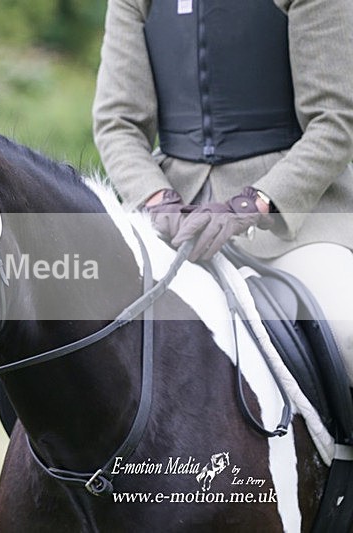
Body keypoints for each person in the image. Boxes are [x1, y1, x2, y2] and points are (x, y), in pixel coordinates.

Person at [92, 0, 353, 383]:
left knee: (347, 335)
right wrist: (156, 198)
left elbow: (335, 122)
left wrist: (252, 203)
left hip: (296, 226)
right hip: (174, 223)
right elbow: (117, 123)